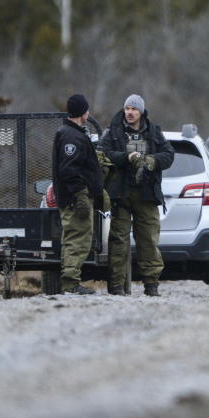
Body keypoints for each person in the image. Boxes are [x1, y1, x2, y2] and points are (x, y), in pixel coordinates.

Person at [101, 94, 174, 296]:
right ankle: (117, 285)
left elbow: (169, 155)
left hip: (146, 193)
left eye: (134, 109)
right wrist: (126, 157)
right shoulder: (113, 132)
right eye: (127, 109)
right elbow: (104, 152)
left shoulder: (154, 132)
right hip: (121, 194)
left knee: (149, 240)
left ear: (141, 112)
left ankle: (151, 284)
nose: (130, 112)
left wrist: (152, 161)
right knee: (118, 241)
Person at [52, 93, 104, 295]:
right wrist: (81, 195)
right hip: (74, 200)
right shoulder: (71, 137)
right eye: (86, 110)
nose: (88, 114)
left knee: (74, 238)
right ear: (82, 112)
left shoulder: (71, 132)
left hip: (72, 198)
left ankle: (70, 280)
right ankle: (70, 283)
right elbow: (69, 170)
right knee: (78, 239)